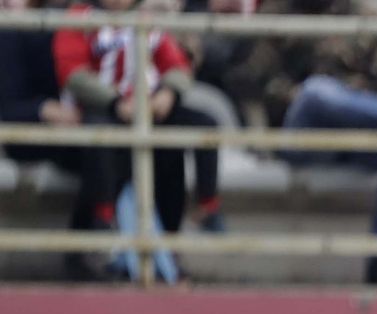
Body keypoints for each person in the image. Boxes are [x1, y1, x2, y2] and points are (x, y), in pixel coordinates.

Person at [212, 0, 377, 284]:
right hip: (302, 134)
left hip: (359, 133)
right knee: (317, 92)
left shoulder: (366, 21)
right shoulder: (278, 14)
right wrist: (303, 96)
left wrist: (354, 100)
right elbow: (253, 80)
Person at [53, 0, 226, 244]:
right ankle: (103, 217)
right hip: (100, 110)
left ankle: (207, 208)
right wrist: (116, 103)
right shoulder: (80, 17)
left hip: (148, 110)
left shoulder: (146, 18)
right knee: (100, 138)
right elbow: (73, 73)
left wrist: (168, 92)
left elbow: (176, 65)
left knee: (199, 128)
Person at [0, 0, 107, 278]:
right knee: (102, 148)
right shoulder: (12, 30)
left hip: (87, 128)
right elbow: (7, 106)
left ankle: (157, 250)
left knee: (117, 143)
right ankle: (83, 249)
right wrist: (44, 109)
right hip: (32, 134)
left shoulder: (87, 19)